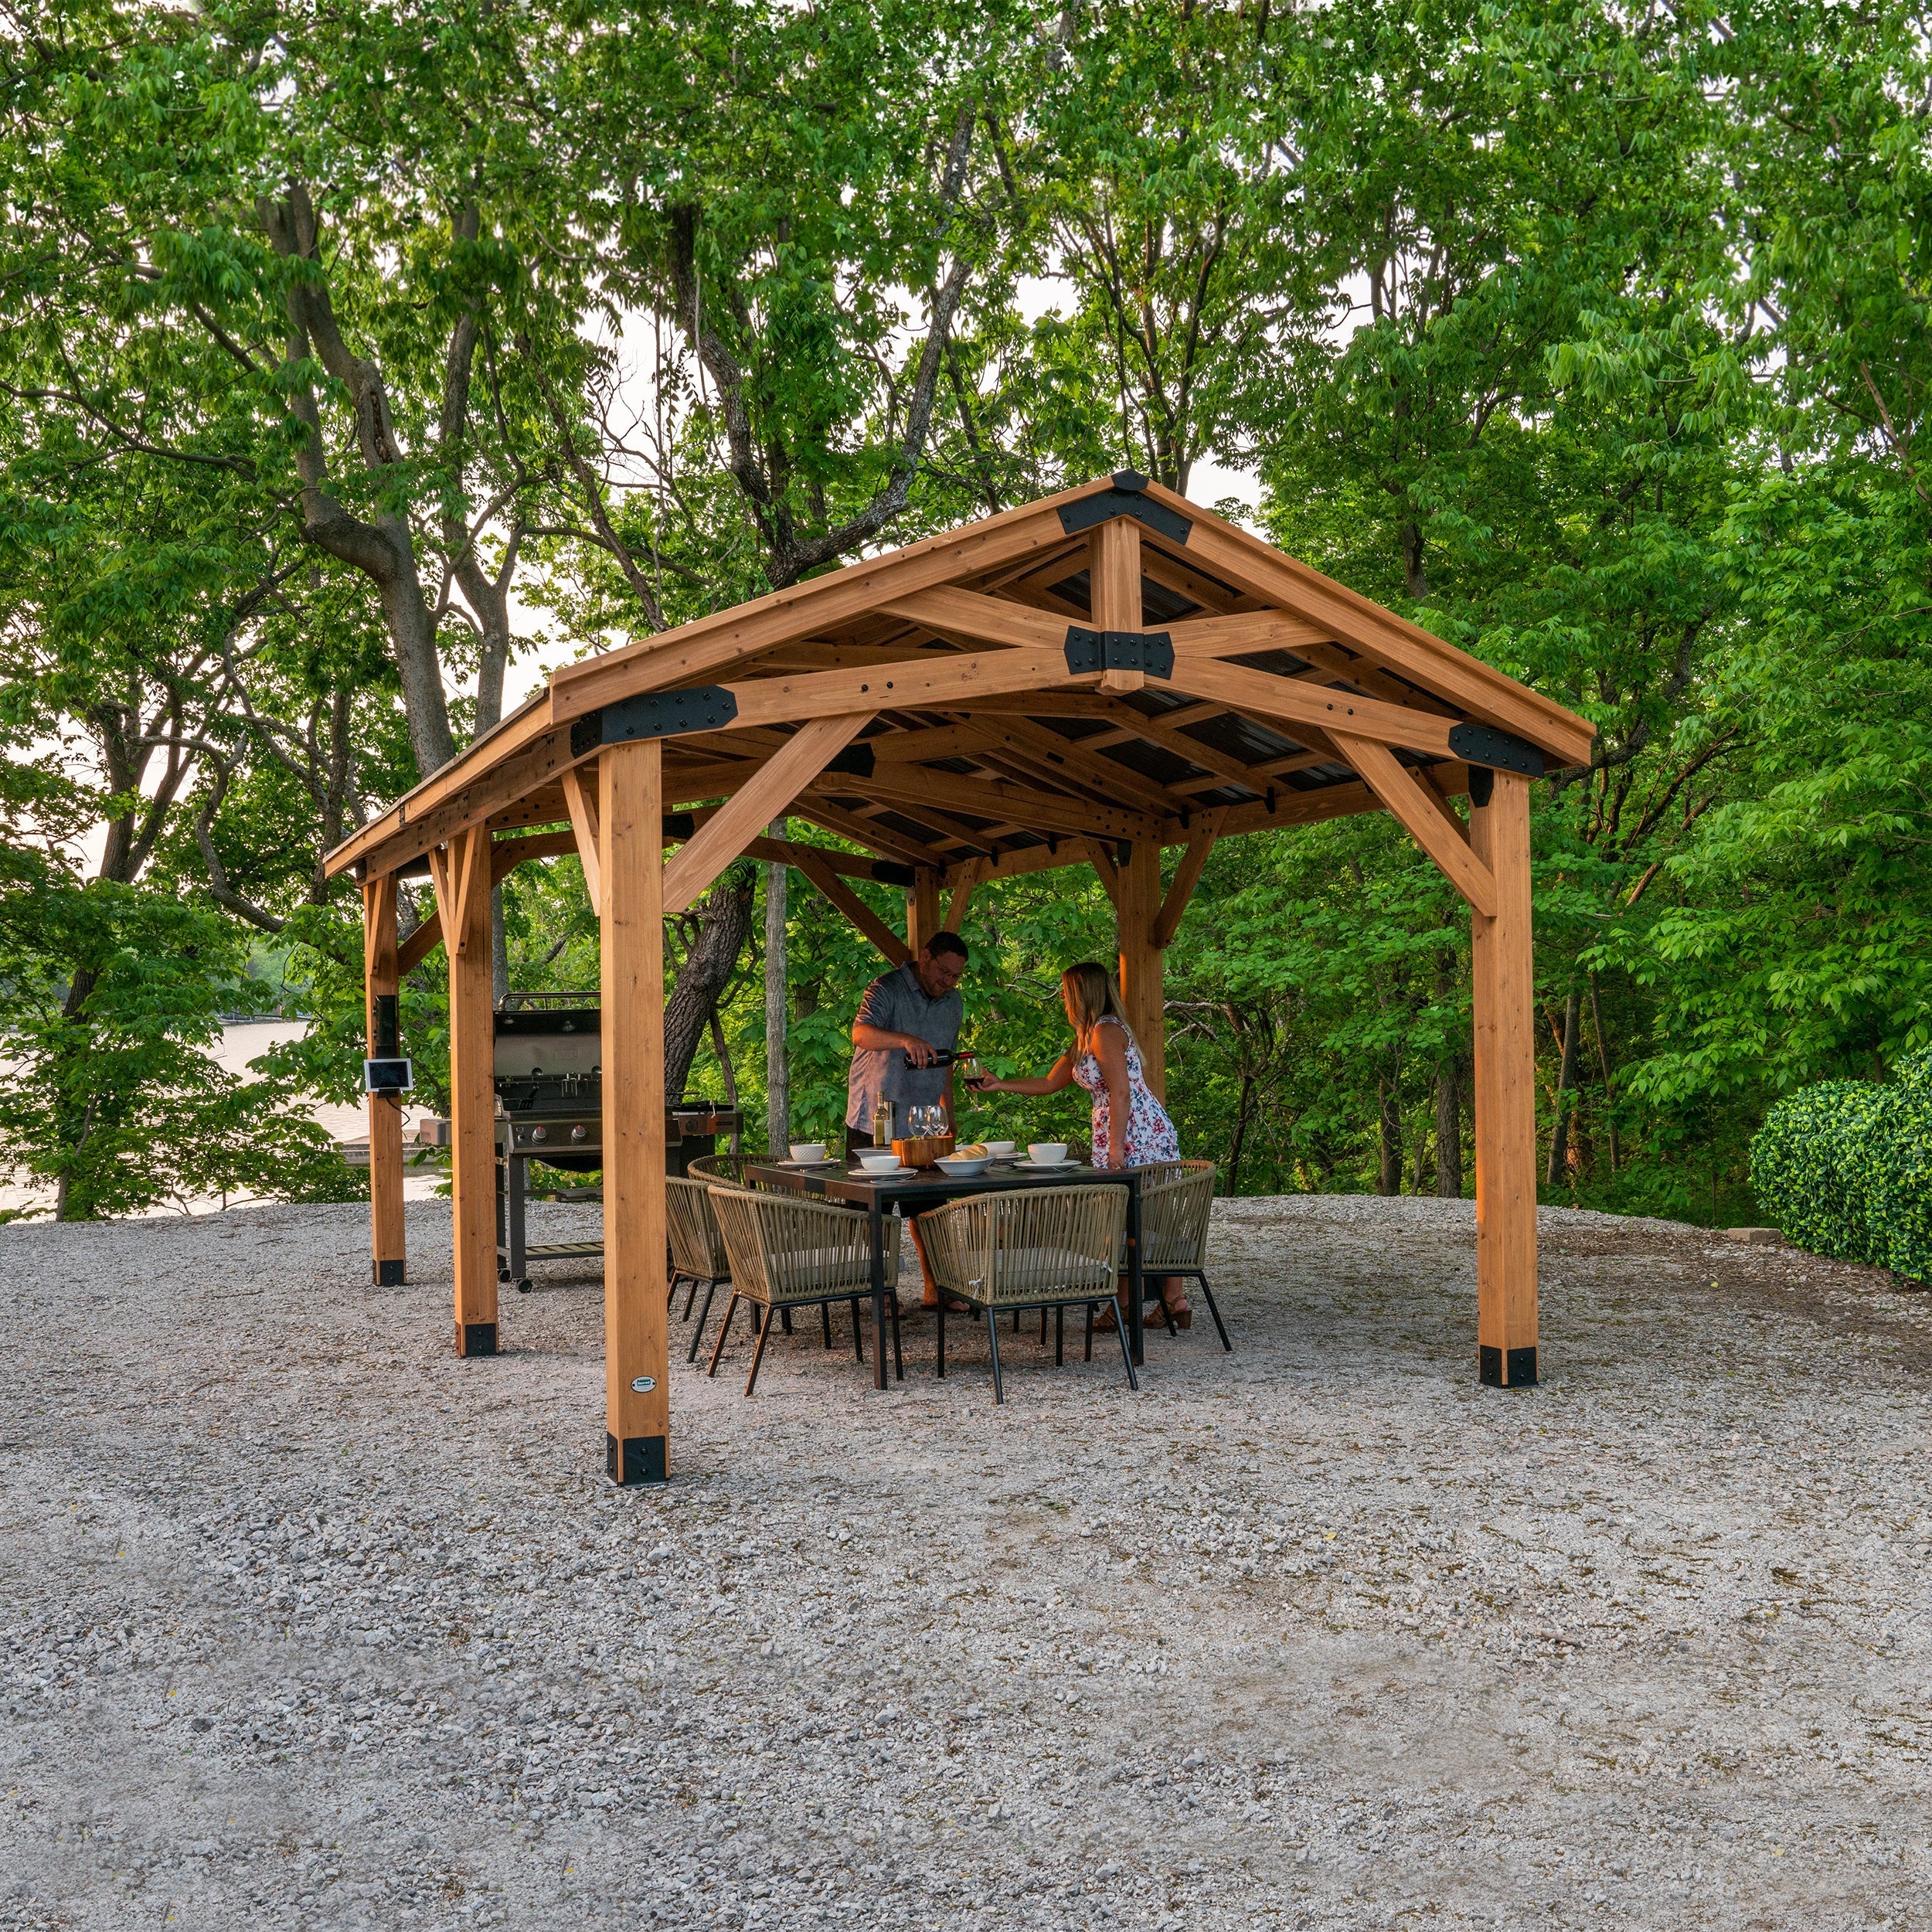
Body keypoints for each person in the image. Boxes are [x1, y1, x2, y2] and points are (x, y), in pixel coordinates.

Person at [967, 961, 1189, 1328]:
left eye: (1067, 993)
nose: (1064, 1001)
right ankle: (1148, 1303)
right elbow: (1050, 1082)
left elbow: (1121, 1090)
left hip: (1137, 1131)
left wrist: (1116, 1147)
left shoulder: (1105, 1031)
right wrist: (999, 1084)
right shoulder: (1085, 1038)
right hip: (1116, 1128)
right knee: (1125, 1215)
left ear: (1082, 994)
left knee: (1139, 1213)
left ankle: (1153, 1302)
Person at [847, 932, 971, 1311]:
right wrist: (904, 1040)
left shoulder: (953, 1004)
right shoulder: (886, 988)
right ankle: (879, 1292)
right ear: (927, 958)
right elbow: (860, 1033)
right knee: (875, 1214)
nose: (948, 983)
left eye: (956, 977)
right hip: (876, 1117)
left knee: (930, 1210)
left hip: (925, 1123)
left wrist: (948, 1113)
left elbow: (946, 1063)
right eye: (944, 973)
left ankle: (937, 1289)